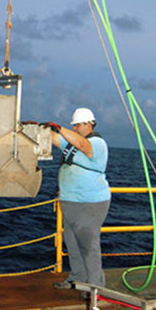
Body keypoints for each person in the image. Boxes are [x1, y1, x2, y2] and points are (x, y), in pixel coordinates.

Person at [42, 107, 111, 288]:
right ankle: (77, 278)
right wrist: (39, 129)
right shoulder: (72, 143)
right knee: (72, 244)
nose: (75, 129)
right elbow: (56, 140)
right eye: (73, 126)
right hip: (70, 201)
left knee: (89, 246)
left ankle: (96, 287)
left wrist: (59, 128)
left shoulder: (97, 143)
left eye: (77, 125)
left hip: (89, 203)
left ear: (89, 124)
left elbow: (82, 145)